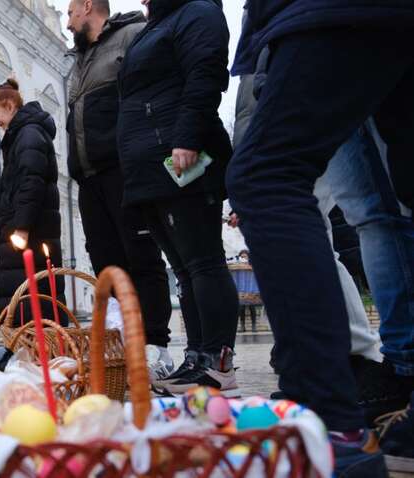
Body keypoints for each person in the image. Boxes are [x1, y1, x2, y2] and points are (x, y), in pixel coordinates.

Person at [228, 0, 414, 474]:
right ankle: (392, 383)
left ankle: (329, 424)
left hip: (329, 11)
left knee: (266, 176)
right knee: (388, 202)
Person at [116, 0, 239, 396]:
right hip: (150, 166)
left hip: (182, 157)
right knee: (184, 270)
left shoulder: (197, 11)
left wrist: (186, 137)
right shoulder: (157, 25)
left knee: (203, 263)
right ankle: (197, 357)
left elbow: (204, 75)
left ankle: (217, 361)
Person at [65, 0, 175, 380]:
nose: (68, 23)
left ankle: (155, 345)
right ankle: (125, 340)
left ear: (87, 6)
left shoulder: (132, 35)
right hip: (89, 177)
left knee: (141, 256)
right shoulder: (79, 59)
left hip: (123, 169)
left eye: (70, 13)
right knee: (106, 263)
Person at [0, 80, 66, 323]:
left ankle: (35, 344)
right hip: (25, 229)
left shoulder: (28, 135)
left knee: (32, 302)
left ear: (9, 106)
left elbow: (31, 182)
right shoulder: (22, 136)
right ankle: (27, 340)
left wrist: (21, 227)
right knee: (28, 300)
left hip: (29, 232)